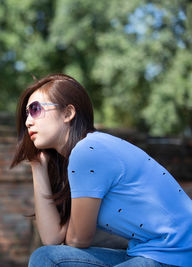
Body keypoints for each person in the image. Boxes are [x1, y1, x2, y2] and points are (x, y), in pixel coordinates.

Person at [10, 73, 192, 267]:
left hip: (176, 254)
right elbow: (52, 239)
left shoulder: (88, 152)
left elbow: (78, 239)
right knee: (45, 257)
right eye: (27, 114)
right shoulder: (78, 158)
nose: (28, 121)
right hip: (145, 252)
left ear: (68, 113)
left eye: (35, 109)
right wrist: (38, 167)